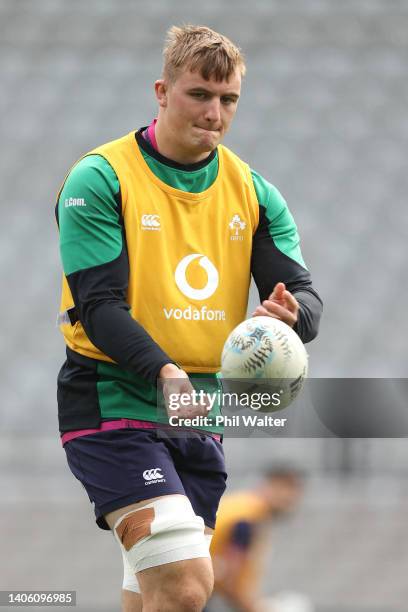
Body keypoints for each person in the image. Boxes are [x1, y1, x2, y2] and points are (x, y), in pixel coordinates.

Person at [55, 25, 322, 612]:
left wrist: (293, 315)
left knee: (160, 596)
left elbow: (305, 296)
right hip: (113, 400)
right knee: (185, 584)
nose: (214, 112)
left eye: (228, 100)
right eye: (199, 94)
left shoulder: (253, 192)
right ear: (162, 90)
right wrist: (163, 370)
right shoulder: (100, 178)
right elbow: (98, 306)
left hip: (202, 410)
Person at [207, 467, 304, 612]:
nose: (291, 500)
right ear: (270, 486)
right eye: (288, 489)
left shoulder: (240, 505)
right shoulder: (248, 519)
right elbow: (229, 579)